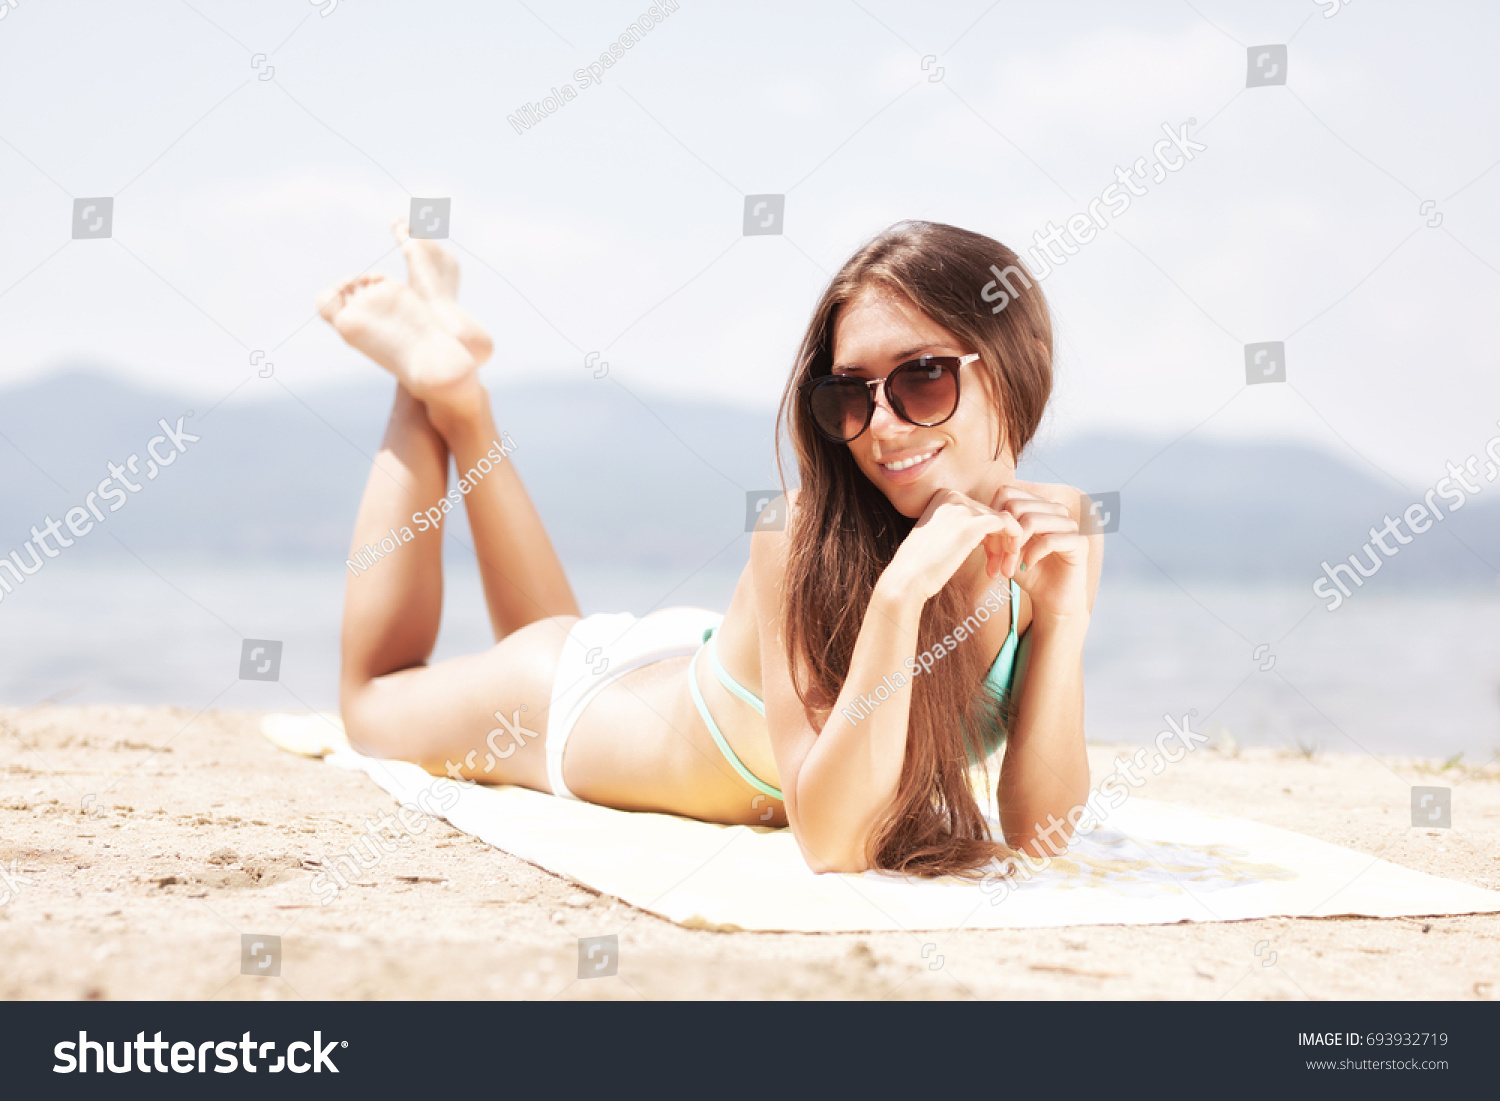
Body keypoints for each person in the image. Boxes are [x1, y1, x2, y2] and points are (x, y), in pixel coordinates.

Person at [318, 219, 1100, 877]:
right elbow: (833, 844)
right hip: (571, 707)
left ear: (1012, 363)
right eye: (848, 393)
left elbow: (1043, 838)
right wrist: (899, 599)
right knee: (370, 701)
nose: (884, 424)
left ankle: (459, 388)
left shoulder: (1056, 534)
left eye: (923, 378)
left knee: (551, 627)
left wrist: (1063, 621)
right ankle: (428, 377)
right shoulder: (800, 533)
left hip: (680, 668)